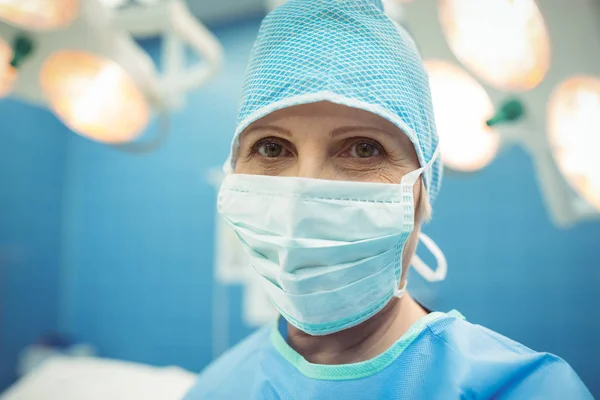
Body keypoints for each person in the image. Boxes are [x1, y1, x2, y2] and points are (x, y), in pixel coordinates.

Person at [184, 0, 593, 398]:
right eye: (272, 148)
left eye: (363, 149)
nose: (302, 191)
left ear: (421, 192)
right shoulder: (215, 389)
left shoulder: (523, 389)